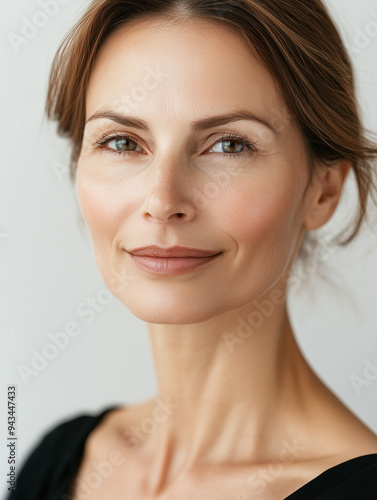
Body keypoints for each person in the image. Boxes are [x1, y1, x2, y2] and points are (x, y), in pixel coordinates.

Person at [8, 0, 377, 498]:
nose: (163, 202)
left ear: (324, 190)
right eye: (122, 142)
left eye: (228, 145)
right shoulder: (60, 459)